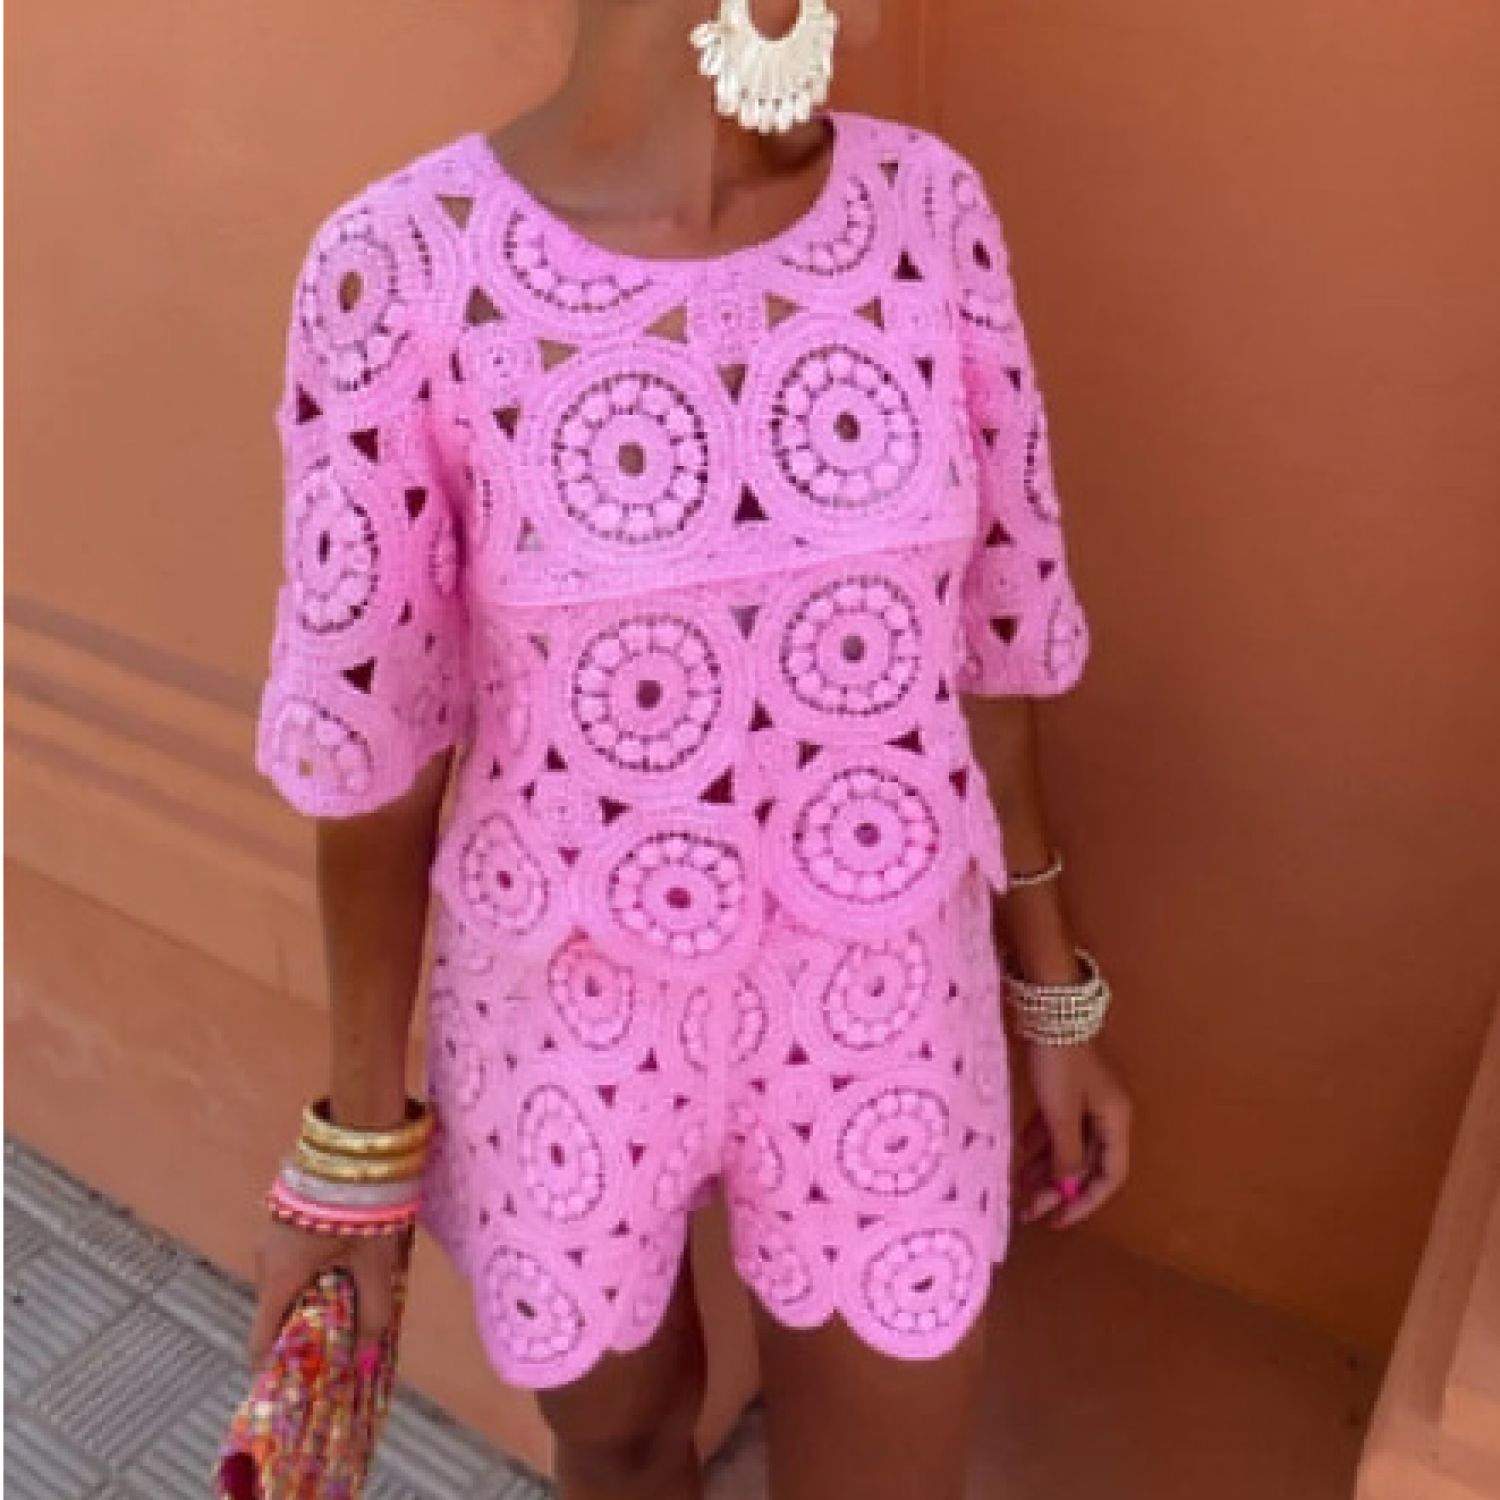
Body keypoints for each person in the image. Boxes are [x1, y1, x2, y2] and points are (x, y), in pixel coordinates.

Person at [249, 2, 1133, 1495]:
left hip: (888, 1003)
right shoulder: (398, 270)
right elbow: (380, 769)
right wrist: (355, 1159)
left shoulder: (931, 214)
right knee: (621, 1442)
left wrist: (1053, 993)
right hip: (561, 1012)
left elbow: (992, 652)